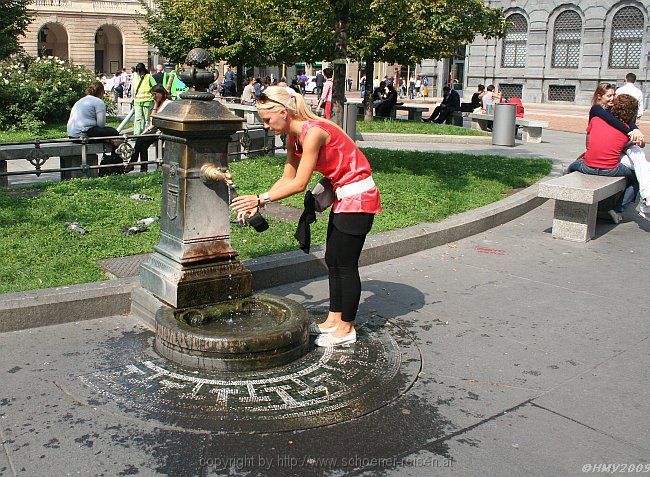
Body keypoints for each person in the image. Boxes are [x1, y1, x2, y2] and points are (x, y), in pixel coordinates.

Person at [230, 86, 381, 347]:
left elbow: (300, 183)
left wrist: (260, 199)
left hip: (359, 197)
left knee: (345, 264)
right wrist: (260, 201)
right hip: (343, 196)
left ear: (283, 112)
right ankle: (334, 319)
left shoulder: (313, 133)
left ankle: (347, 329)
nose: (266, 126)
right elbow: (287, 178)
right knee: (333, 259)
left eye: (267, 120)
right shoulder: (294, 138)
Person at [567, 89, 641, 223]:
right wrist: (633, 130)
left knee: (571, 167)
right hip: (611, 169)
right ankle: (618, 209)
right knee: (636, 179)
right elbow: (639, 145)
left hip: (587, 166)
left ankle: (568, 197)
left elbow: (590, 140)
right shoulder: (627, 131)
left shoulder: (596, 119)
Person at [67, 81, 121, 176]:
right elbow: (101, 124)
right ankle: (116, 166)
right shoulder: (99, 102)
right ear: (101, 92)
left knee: (108, 136)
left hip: (72, 134)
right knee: (114, 132)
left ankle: (114, 164)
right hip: (84, 132)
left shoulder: (81, 100)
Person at [126, 85, 172, 173]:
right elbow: (152, 119)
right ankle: (143, 169)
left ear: (161, 93)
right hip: (155, 128)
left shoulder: (167, 103)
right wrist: (155, 104)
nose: (154, 97)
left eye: (155, 94)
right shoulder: (158, 103)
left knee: (140, 140)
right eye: (152, 95)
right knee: (143, 145)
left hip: (162, 129)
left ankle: (132, 163)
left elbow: (159, 118)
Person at [132, 63, 157, 136]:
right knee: (137, 118)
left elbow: (155, 87)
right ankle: (136, 134)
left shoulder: (149, 77)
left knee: (147, 119)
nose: (139, 73)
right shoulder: (136, 77)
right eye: (138, 71)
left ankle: (146, 134)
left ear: (143, 70)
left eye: (140, 71)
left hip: (147, 101)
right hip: (137, 101)